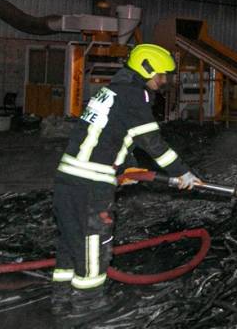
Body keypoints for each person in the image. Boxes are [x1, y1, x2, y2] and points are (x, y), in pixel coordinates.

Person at [51, 43, 201, 323]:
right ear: (146, 69)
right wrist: (183, 173)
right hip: (91, 184)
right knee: (94, 246)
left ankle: (61, 302)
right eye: (162, 74)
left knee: (71, 243)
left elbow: (114, 134)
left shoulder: (113, 92)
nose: (164, 81)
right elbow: (154, 144)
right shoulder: (134, 96)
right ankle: (87, 308)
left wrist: (126, 167)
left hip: (68, 178)